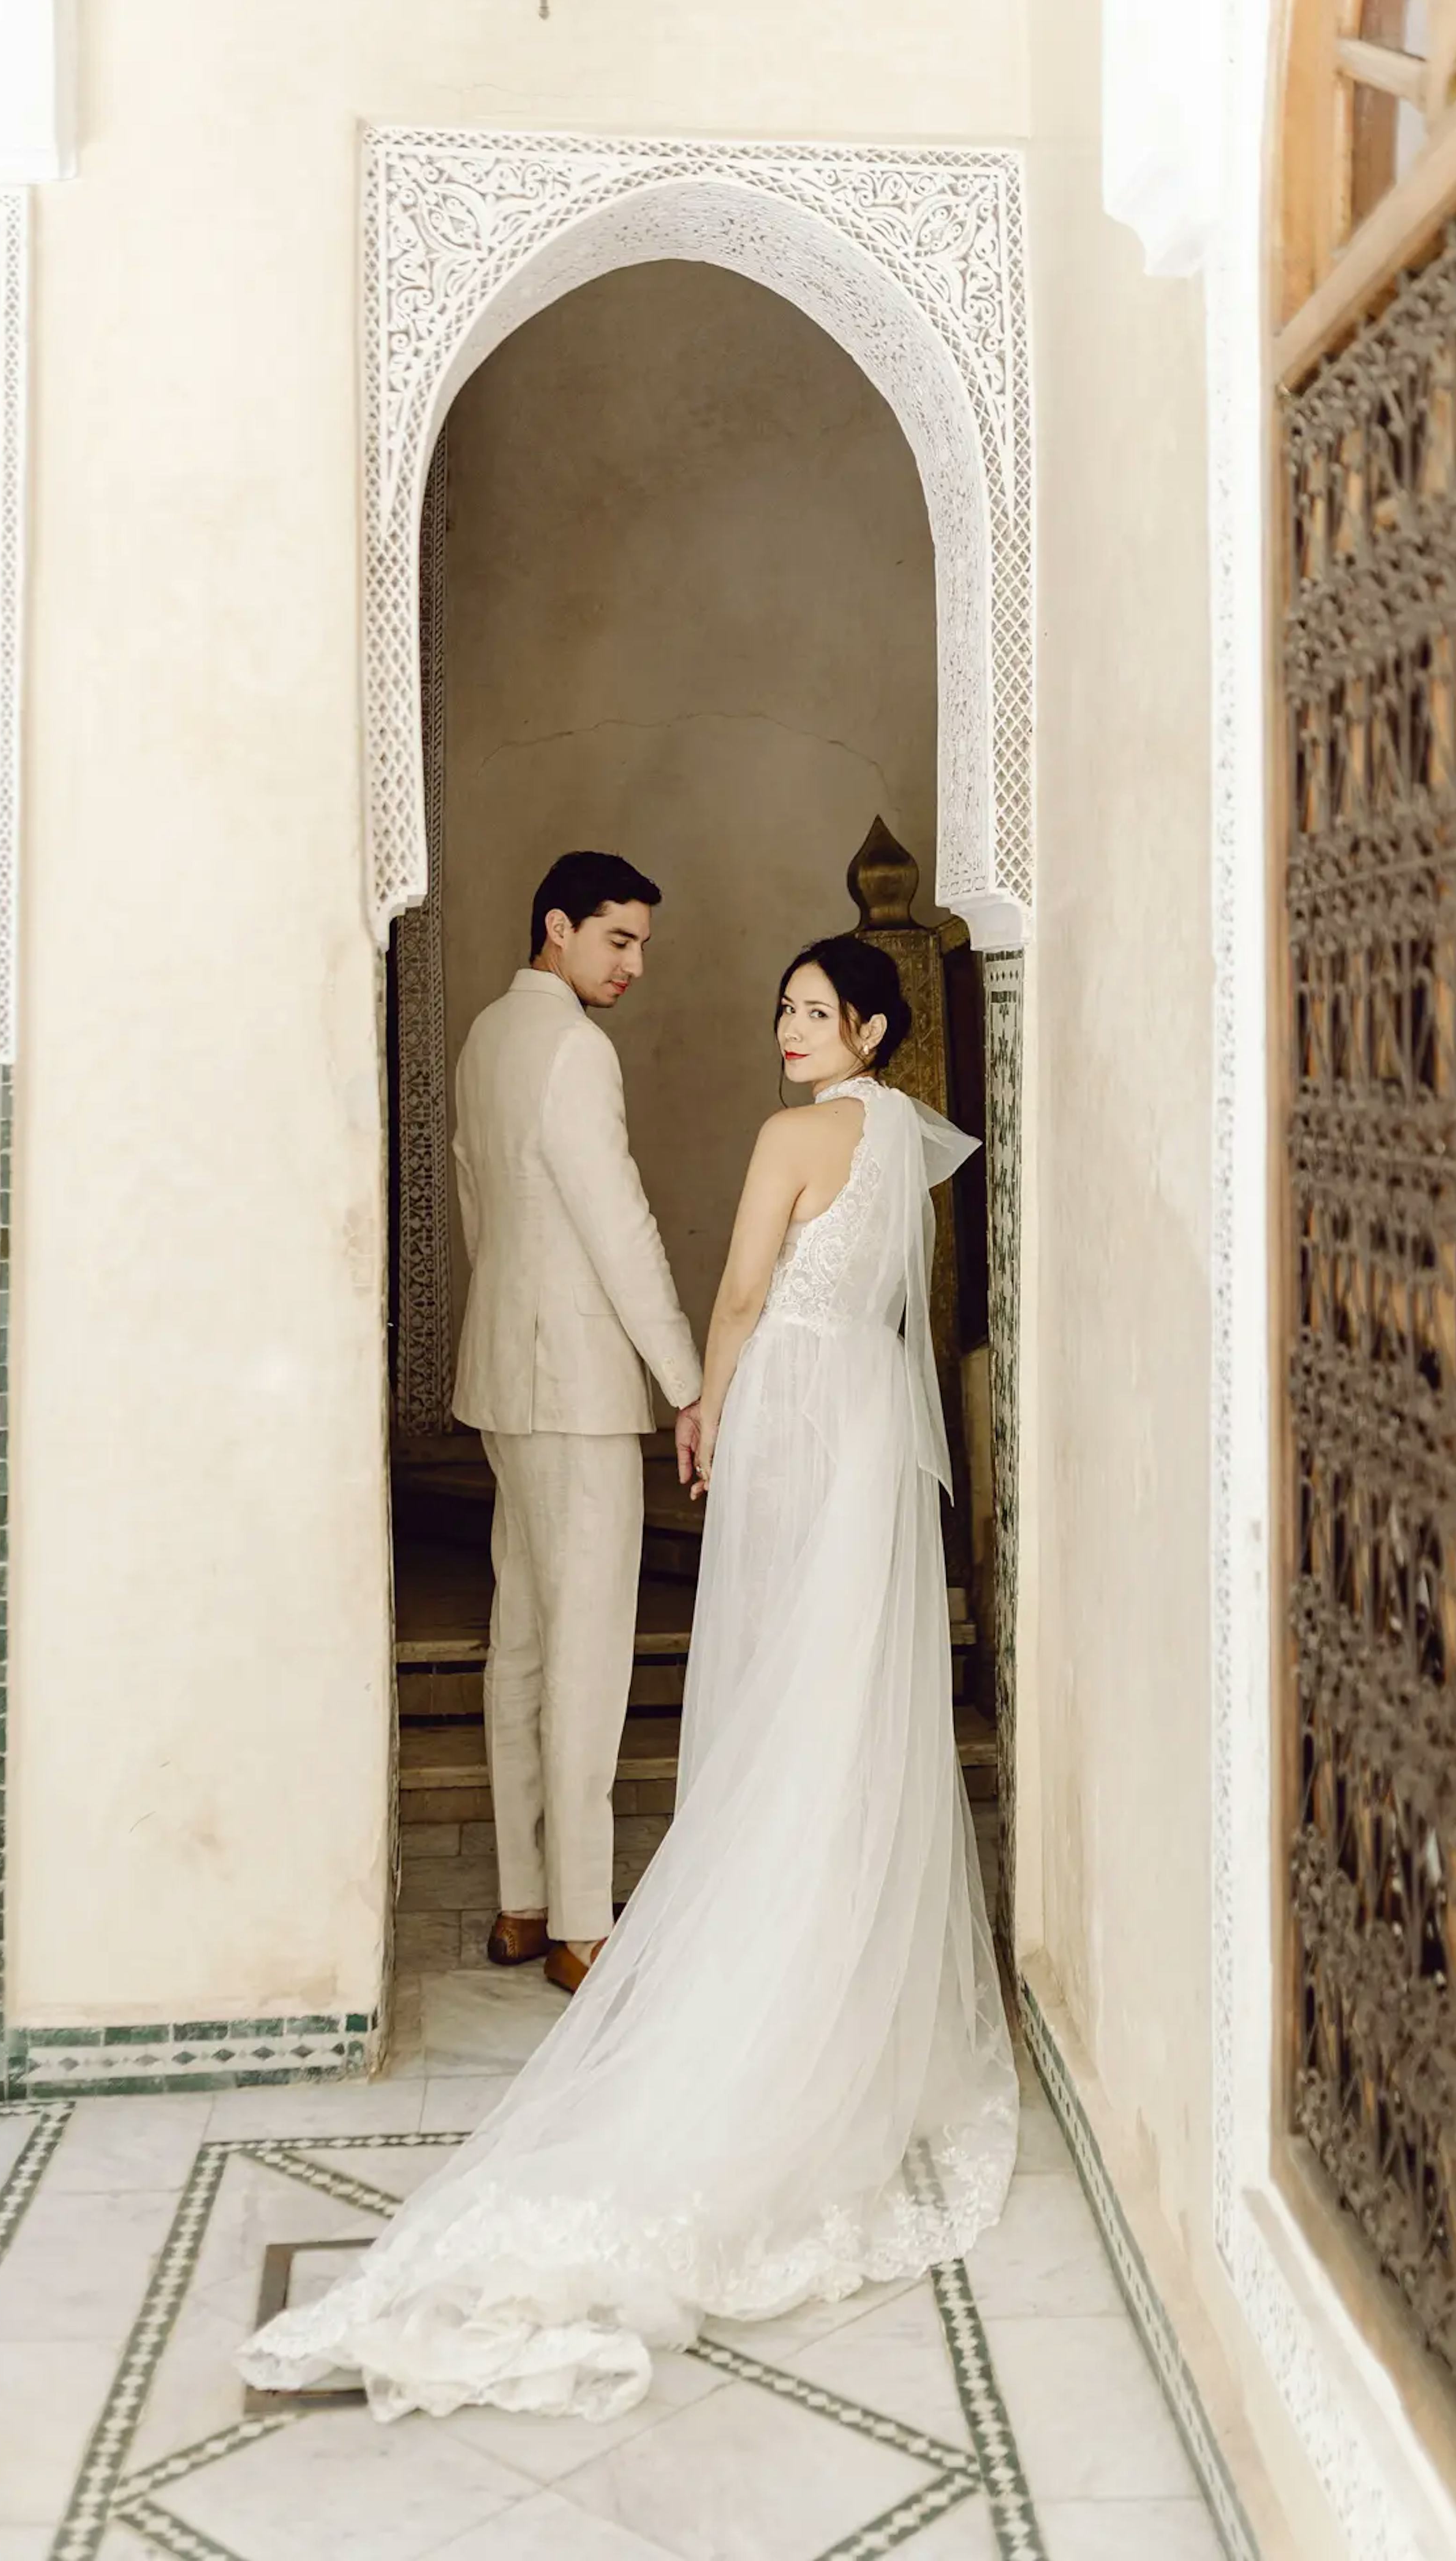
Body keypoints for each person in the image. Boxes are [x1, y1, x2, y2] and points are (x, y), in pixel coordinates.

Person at [238, 934, 1018, 2421]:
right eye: (779, 1006)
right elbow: (893, 1309)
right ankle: (838, 1969)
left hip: (794, 1405)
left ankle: (763, 1960)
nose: (787, 1030)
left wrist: (707, 1415)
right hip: (864, 1422)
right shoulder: (911, 1139)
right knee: (841, 1698)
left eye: (813, 1011)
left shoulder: (796, 1133)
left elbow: (738, 1294)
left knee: (784, 1681)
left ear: (867, 1024)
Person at [448, 850, 703, 1995]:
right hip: (577, 1387)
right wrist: (689, 1380)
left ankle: (520, 1902)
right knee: (587, 1651)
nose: (635, 964)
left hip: (506, 1374)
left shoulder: (488, 1038)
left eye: (642, 944)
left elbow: (475, 1204)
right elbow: (622, 1226)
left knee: (525, 1642)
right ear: (558, 925)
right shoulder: (571, 1047)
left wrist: (516, 1318)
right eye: (618, 939)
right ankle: (580, 1925)